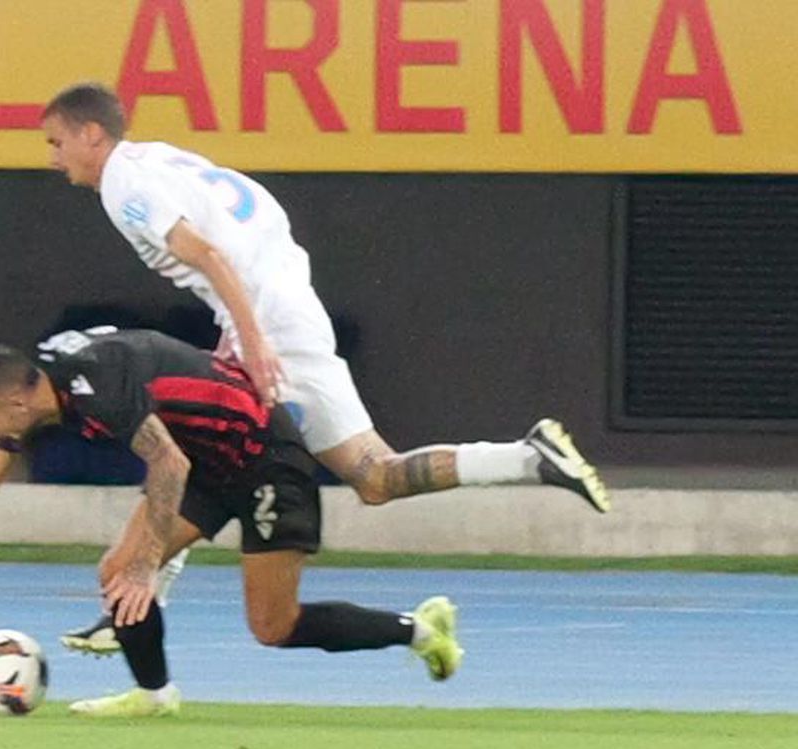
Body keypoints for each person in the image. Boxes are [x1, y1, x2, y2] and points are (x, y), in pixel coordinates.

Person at [41, 83, 611, 654]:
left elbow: (207, 254)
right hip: (289, 304)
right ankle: (527, 457)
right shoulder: (159, 158)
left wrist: (252, 338)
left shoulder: (123, 184)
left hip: (267, 323)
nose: (53, 158)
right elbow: (255, 213)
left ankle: (137, 607)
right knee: (376, 478)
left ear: (92, 134)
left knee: (195, 449)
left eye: (57, 142)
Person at [0, 327, 465, 717]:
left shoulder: (99, 386)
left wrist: (148, 566)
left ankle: (419, 630)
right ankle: (155, 696)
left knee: (273, 626)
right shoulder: (41, 390)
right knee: (118, 570)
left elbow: (168, 464)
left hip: (265, 457)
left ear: (15, 402)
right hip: (208, 464)